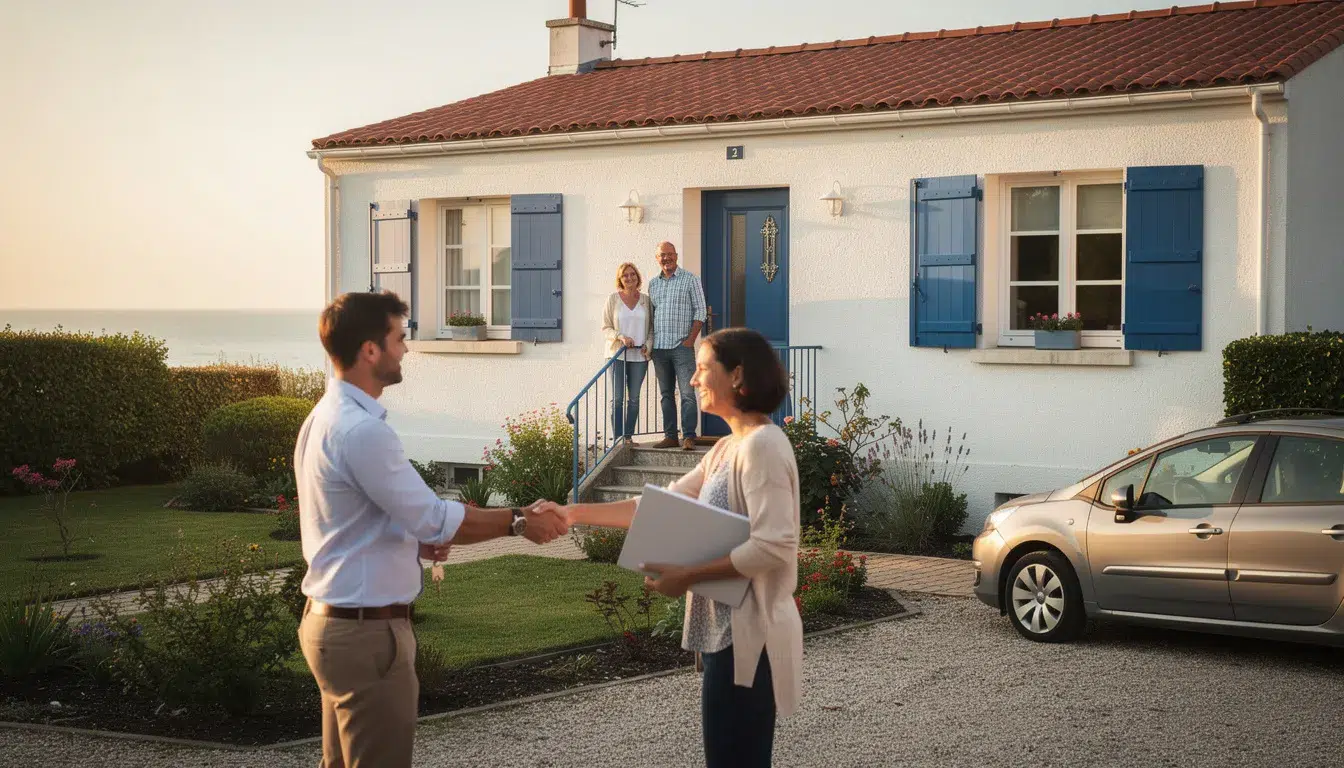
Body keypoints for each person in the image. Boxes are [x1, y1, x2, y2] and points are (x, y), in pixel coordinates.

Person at [294, 290, 568, 768]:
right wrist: (518, 520)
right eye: (399, 338)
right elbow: (434, 518)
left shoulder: (322, 418)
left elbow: (351, 521)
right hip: (365, 635)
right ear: (370, 350)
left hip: (332, 625)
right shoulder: (362, 431)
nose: (405, 349)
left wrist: (414, 540)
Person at [537, 327, 802, 768]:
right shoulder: (727, 448)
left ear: (737, 375)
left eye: (702, 368)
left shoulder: (763, 447)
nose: (693, 380)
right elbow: (659, 506)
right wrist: (572, 513)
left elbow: (774, 546)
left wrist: (687, 576)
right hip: (723, 637)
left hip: (748, 640)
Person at [647, 240, 707, 450]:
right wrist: (650, 344)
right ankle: (670, 436)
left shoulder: (690, 279)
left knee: (687, 394)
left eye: (669, 254)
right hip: (659, 349)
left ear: (676, 256)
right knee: (666, 395)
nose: (666, 258)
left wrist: (690, 340)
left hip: (682, 347)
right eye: (662, 255)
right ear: (657, 259)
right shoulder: (653, 284)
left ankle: (689, 436)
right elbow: (652, 316)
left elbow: (701, 311)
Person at [601, 261, 653, 442]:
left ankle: (628, 437)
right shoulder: (613, 299)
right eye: (625, 275)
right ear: (620, 279)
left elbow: (651, 329)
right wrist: (620, 336)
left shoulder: (646, 300)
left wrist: (648, 345)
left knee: (634, 399)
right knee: (617, 399)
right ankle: (618, 438)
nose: (629, 278)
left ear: (637, 277)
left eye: (632, 274)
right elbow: (606, 327)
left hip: (639, 356)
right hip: (617, 355)